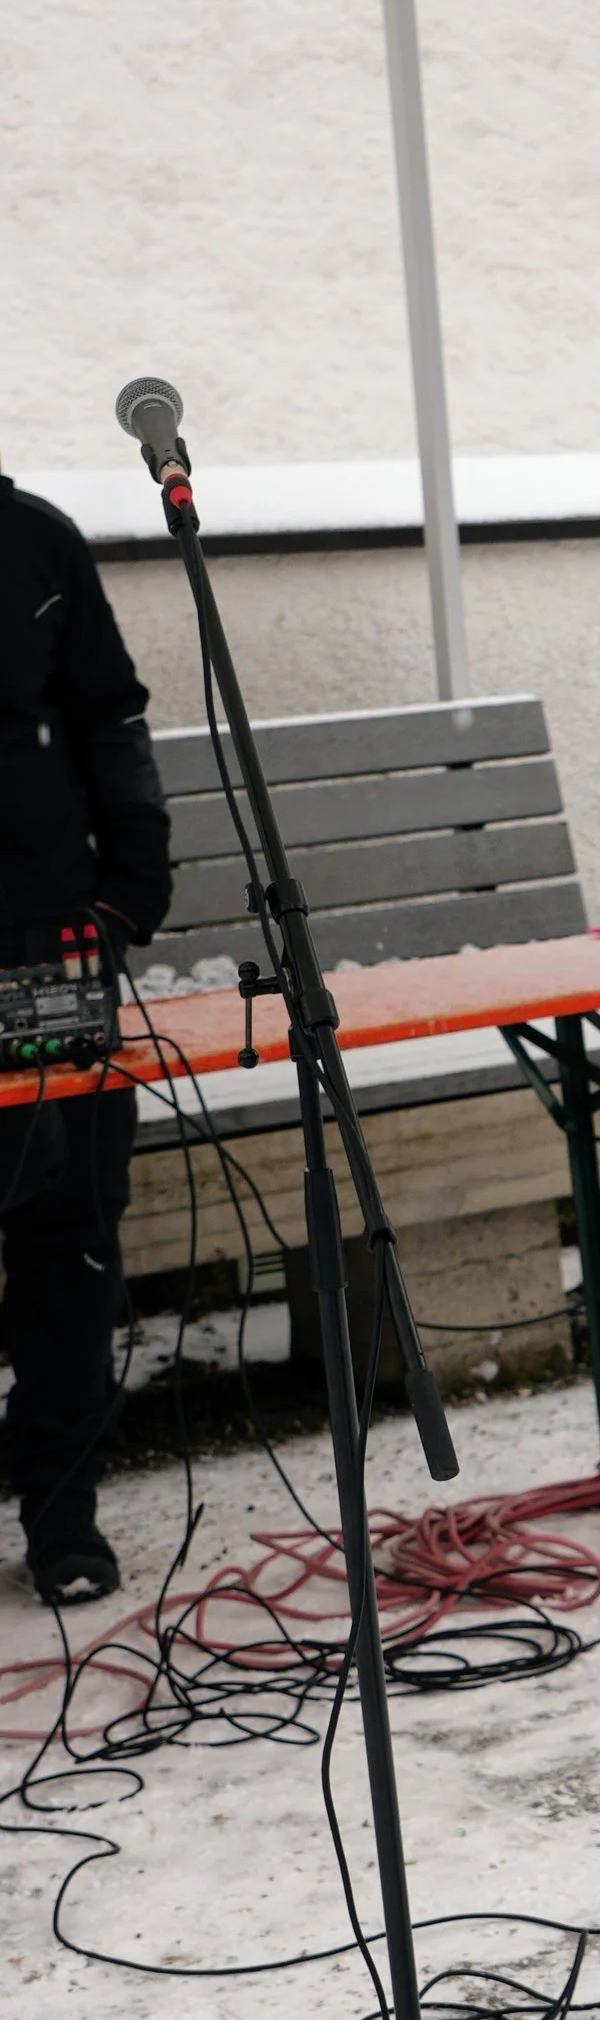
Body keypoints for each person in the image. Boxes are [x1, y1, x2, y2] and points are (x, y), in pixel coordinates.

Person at [0, 464, 171, 1606]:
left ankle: (64, 1518)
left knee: (73, 1245)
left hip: (53, 954)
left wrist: (128, 893)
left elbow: (113, 717)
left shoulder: (34, 539)